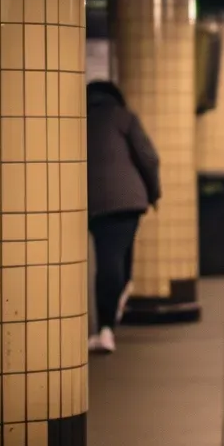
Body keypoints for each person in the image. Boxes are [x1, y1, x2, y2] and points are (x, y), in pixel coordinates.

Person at [85, 81, 161, 353]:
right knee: (118, 254)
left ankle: (107, 326)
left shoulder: (77, 121)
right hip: (130, 199)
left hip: (96, 202)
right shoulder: (123, 117)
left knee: (109, 258)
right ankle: (115, 304)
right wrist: (154, 193)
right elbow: (149, 158)